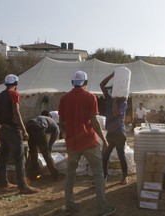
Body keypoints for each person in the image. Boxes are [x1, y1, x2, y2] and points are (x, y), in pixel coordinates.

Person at [58, 71, 116, 216]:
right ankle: (102, 208)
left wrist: (66, 136)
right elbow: (95, 122)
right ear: (86, 82)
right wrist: (104, 139)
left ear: (73, 82)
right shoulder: (90, 97)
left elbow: (61, 122)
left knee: (70, 174)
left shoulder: (64, 98)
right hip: (89, 141)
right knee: (98, 174)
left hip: (72, 142)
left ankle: (69, 205)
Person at [0, 74, 38, 194]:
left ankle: (4, 184)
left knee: (3, 158)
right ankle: (23, 186)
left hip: (3, 129)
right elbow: (16, 113)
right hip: (13, 130)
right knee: (19, 158)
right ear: (16, 84)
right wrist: (24, 130)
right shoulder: (14, 94)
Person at [100, 72, 129, 185]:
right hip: (111, 132)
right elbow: (101, 84)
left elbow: (116, 113)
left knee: (121, 155)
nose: (110, 91)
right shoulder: (108, 98)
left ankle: (125, 177)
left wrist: (116, 99)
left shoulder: (123, 101)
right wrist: (111, 75)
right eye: (111, 90)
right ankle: (104, 177)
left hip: (119, 133)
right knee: (105, 156)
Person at [26, 110, 62, 181]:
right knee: (46, 153)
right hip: (38, 127)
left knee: (33, 152)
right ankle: (56, 176)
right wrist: (48, 150)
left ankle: (34, 175)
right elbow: (50, 144)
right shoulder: (55, 126)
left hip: (29, 125)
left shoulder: (42, 118)